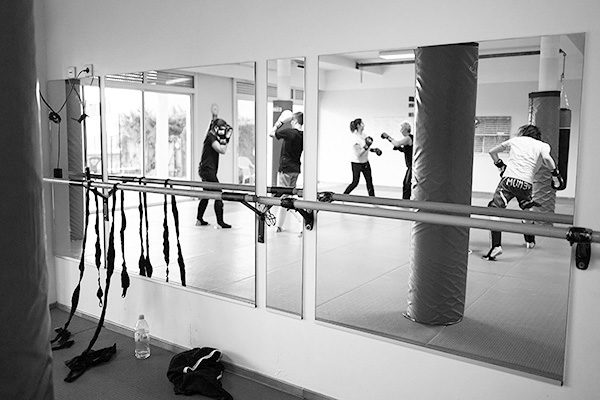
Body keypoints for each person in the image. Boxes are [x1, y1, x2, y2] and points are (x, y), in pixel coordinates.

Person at [483, 124, 563, 261]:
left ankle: (496, 246)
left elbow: (492, 152)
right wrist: (556, 175)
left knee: (494, 210)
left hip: (508, 181)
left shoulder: (515, 140)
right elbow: (547, 159)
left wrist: (500, 165)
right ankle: (530, 241)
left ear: (524, 132)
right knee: (526, 210)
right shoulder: (542, 145)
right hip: (526, 184)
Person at [270, 110, 304, 233]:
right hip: (296, 169)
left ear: (294, 121)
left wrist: (279, 122)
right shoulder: (303, 135)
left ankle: (302, 221)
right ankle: (279, 226)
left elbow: (271, 133)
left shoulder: (290, 132)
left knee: (285, 199)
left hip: (286, 169)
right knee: (287, 197)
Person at [196, 118, 233, 229]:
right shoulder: (211, 137)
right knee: (218, 194)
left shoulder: (211, 135)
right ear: (216, 128)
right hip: (207, 170)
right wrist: (225, 139)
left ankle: (199, 219)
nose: (223, 131)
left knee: (206, 195)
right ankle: (220, 222)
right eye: (222, 129)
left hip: (206, 170)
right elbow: (222, 150)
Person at [343, 118, 381, 196]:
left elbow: (366, 148)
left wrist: (374, 150)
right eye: (362, 123)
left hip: (365, 162)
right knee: (355, 182)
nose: (364, 125)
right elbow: (358, 154)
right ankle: (343, 196)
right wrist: (367, 146)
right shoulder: (354, 138)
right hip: (356, 163)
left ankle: (372, 199)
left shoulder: (364, 135)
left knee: (369, 181)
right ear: (358, 125)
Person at [381, 121, 413, 199]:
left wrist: (388, 137)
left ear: (405, 129)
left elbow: (397, 143)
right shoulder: (409, 138)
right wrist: (399, 149)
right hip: (410, 166)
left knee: (407, 185)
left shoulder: (408, 138)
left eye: (401, 128)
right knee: (406, 184)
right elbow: (407, 150)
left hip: (412, 166)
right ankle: (406, 201)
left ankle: (406, 202)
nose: (400, 130)